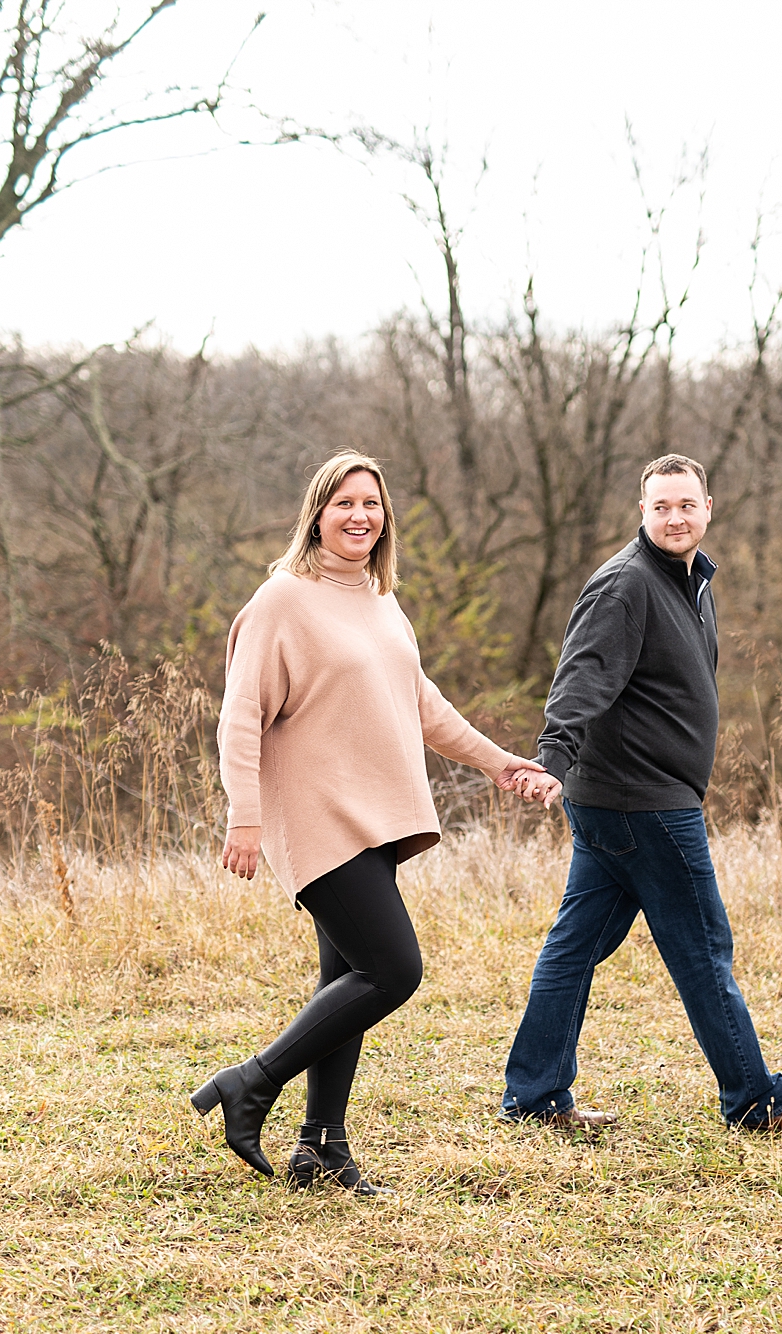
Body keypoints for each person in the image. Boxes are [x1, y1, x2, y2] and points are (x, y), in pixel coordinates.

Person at [193, 451, 551, 1193]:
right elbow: (241, 715)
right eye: (344, 503)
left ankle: (321, 1149)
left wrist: (498, 763)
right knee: (392, 970)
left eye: (372, 504)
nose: (360, 516)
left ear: (385, 518)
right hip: (316, 816)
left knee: (347, 978)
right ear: (316, 515)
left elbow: (422, 704)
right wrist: (244, 818)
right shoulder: (282, 600)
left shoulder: (382, 599)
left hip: (375, 817)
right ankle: (250, 1083)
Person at [500, 454, 782, 1132]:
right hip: (643, 802)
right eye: (661, 507)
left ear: (708, 507)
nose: (675, 518)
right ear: (643, 512)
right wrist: (552, 758)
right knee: (702, 947)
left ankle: (534, 1096)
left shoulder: (691, 580)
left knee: (575, 946)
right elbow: (581, 679)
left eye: (686, 505)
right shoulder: (626, 586)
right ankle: (755, 1101)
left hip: (624, 800)